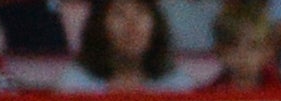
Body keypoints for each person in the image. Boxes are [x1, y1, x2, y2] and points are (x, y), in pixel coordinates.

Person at [55, 0, 194, 90]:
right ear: (100, 25)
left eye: (140, 11)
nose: (132, 25)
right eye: (119, 13)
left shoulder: (176, 84)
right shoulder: (75, 84)